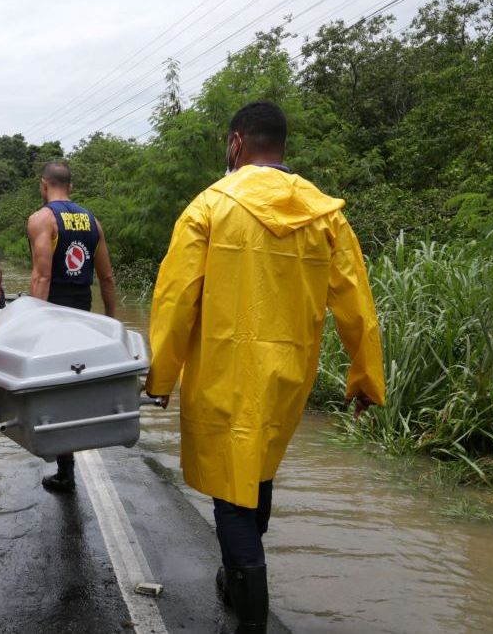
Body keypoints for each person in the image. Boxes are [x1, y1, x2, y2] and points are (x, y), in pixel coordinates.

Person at [144, 101, 386, 633]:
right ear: (282, 145)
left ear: (235, 143)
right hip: (288, 376)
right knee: (258, 471)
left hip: (224, 374)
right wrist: (366, 376)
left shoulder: (209, 207)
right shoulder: (325, 214)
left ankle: (250, 616)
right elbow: (356, 303)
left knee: (232, 495)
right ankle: (236, 582)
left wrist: (160, 376)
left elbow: (176, 299)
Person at [26, 160, 117, 493]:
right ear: (71, 187)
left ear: (43, 184)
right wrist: (111, 323)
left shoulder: (42, 219)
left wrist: (31, 326)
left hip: (52, 318)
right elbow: (106, 277)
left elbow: (42, 275)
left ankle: (63, 463)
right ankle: (67, 465)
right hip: (84, 317)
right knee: (74, 386)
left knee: (51, 389)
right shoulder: (93, 221)